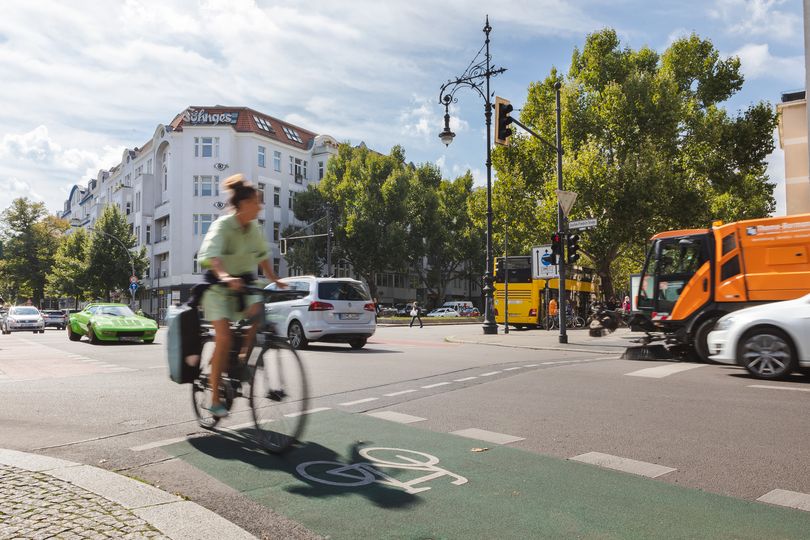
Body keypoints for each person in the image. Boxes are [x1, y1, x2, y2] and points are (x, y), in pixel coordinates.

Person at [197, 173, 286, 418]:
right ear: (244, 204)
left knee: (259, 315)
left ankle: (243, 361)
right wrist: (225, 277)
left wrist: (275, 279)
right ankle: (215, 398)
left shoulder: (254, 228)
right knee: (224, 338)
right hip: (218, 288)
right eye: (257, 201)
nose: (260, 206)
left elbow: (262, 255)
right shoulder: (222, 225)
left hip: (244, 286)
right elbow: (212, 256)